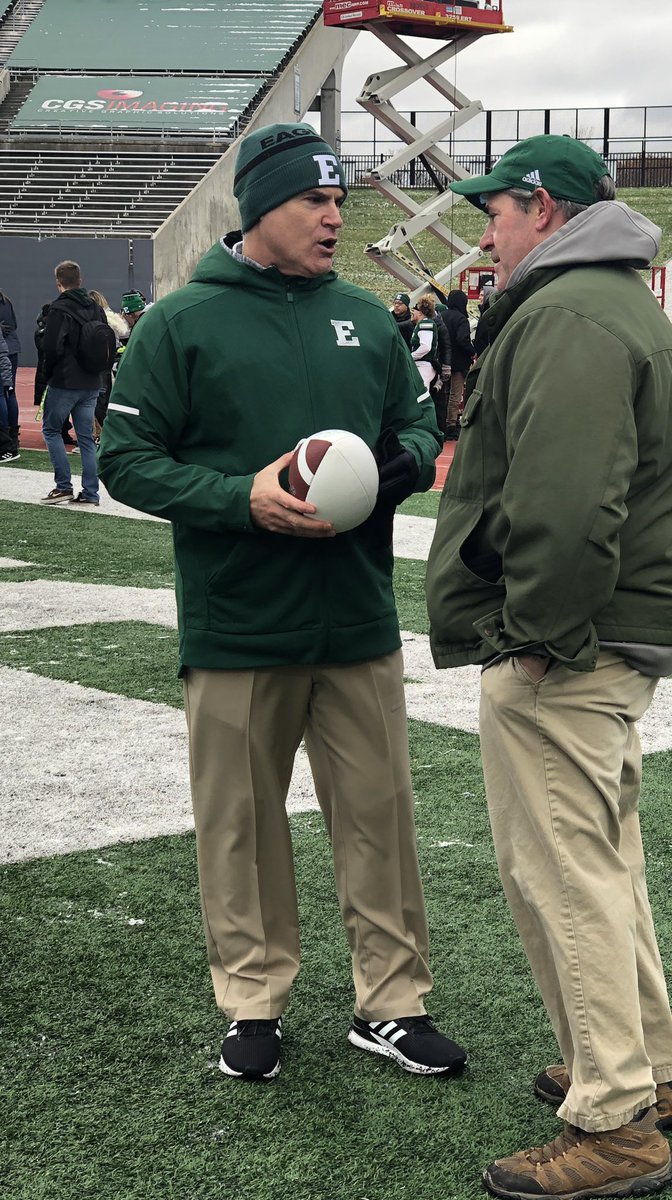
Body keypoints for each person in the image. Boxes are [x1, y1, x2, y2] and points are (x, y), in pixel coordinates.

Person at [99, 123, 465, 1083]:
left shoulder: (369, 317)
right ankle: (254, 1002)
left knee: (379, 816)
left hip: (355, 615)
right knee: (242, 823)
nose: (335, 217)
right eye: (315, 200)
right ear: (260, 209)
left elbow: (419, 422)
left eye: (340, 201)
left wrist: (406, 463)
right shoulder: (182, 322)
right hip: (236, 622)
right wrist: (237, 498)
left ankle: (391, 1003)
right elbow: (127, 459)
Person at [426, 133, 672, 1200]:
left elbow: (565, 501)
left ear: (542, 207)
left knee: (563, 877)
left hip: (569, 644)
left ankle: (617, 1118)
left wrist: (537, 630)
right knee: (604, 868)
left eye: (494, 207)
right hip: (612, 632)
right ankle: (645, 1074)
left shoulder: (570, 313)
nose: (484, 227)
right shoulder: (608, 302)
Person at [39, 260, 109, 506]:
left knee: (50, 429)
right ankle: (91, 492)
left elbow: (52, 346)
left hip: (66, 380)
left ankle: (63, 486)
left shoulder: (60, 308)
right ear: (80, 280)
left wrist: (48, 374)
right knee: (86, 438)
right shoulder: (95, 306)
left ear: (59, 283)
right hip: (92, 379)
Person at [88, 290, 129, 439]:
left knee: (97, 403)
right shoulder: (114, 320)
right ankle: (103, 433)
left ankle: (100, 434)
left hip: (100, 366)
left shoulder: (97, 322)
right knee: (105, 401)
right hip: (110, 365)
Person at [442, 289, 474, 439]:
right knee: (455, 394)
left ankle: (442, 422)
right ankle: (451, 425)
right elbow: (463, 340)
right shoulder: (461, 319)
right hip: (458, 362)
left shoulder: (442, 316)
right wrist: (472, 351)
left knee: (445, 393)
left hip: (443, 361)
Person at [0, 288, 20, 462]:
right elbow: (14, 325)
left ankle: (5, 438)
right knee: (10, 392)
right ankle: (13, 436)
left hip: (2, 351)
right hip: (11, 350)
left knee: (1, 394)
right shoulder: (6, 301)